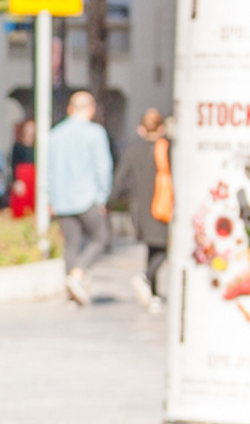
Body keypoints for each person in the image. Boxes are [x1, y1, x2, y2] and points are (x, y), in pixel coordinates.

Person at [45, 86, 115, 305]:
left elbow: (48, 171)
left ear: (69, 109)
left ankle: (72, 295)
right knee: (100, 237)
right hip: (86, 197)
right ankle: (77, 273)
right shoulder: (95, 133)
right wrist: (102, 198)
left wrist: (50, 199)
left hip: (63, 200)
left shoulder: (55, 134)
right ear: (91, 110)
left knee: (71, 245)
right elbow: (103, 168)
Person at [115, 104, 173, 309]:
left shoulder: (133, 150)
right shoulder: (169, 149)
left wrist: (111, 202)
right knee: (165, 247)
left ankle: (153, 292)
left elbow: (120, 180)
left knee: (152, 247)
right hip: (163, 207)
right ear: (161, 129)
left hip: (141, 209)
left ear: (141, 129)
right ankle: (146, 278)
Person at [7, 115, 37, 221]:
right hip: (22, 177)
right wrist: (15, 181)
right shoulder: (18, 146)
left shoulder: (38, 146)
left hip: (34, 177)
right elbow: (13, 165)